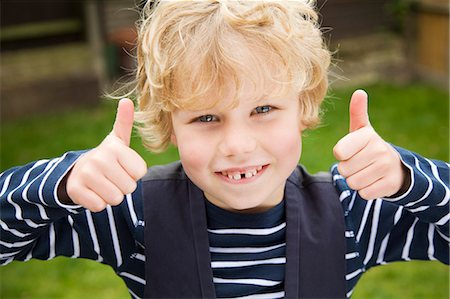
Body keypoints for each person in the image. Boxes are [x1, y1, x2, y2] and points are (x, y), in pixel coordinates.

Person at [1, 1, 448, 298]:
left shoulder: (355, 215)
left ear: (304, 106)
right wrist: (61, 182)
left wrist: (411, 179)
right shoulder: (132, 217)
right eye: (206, 117)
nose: (237, 145)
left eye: (264, 108)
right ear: (168, 124)